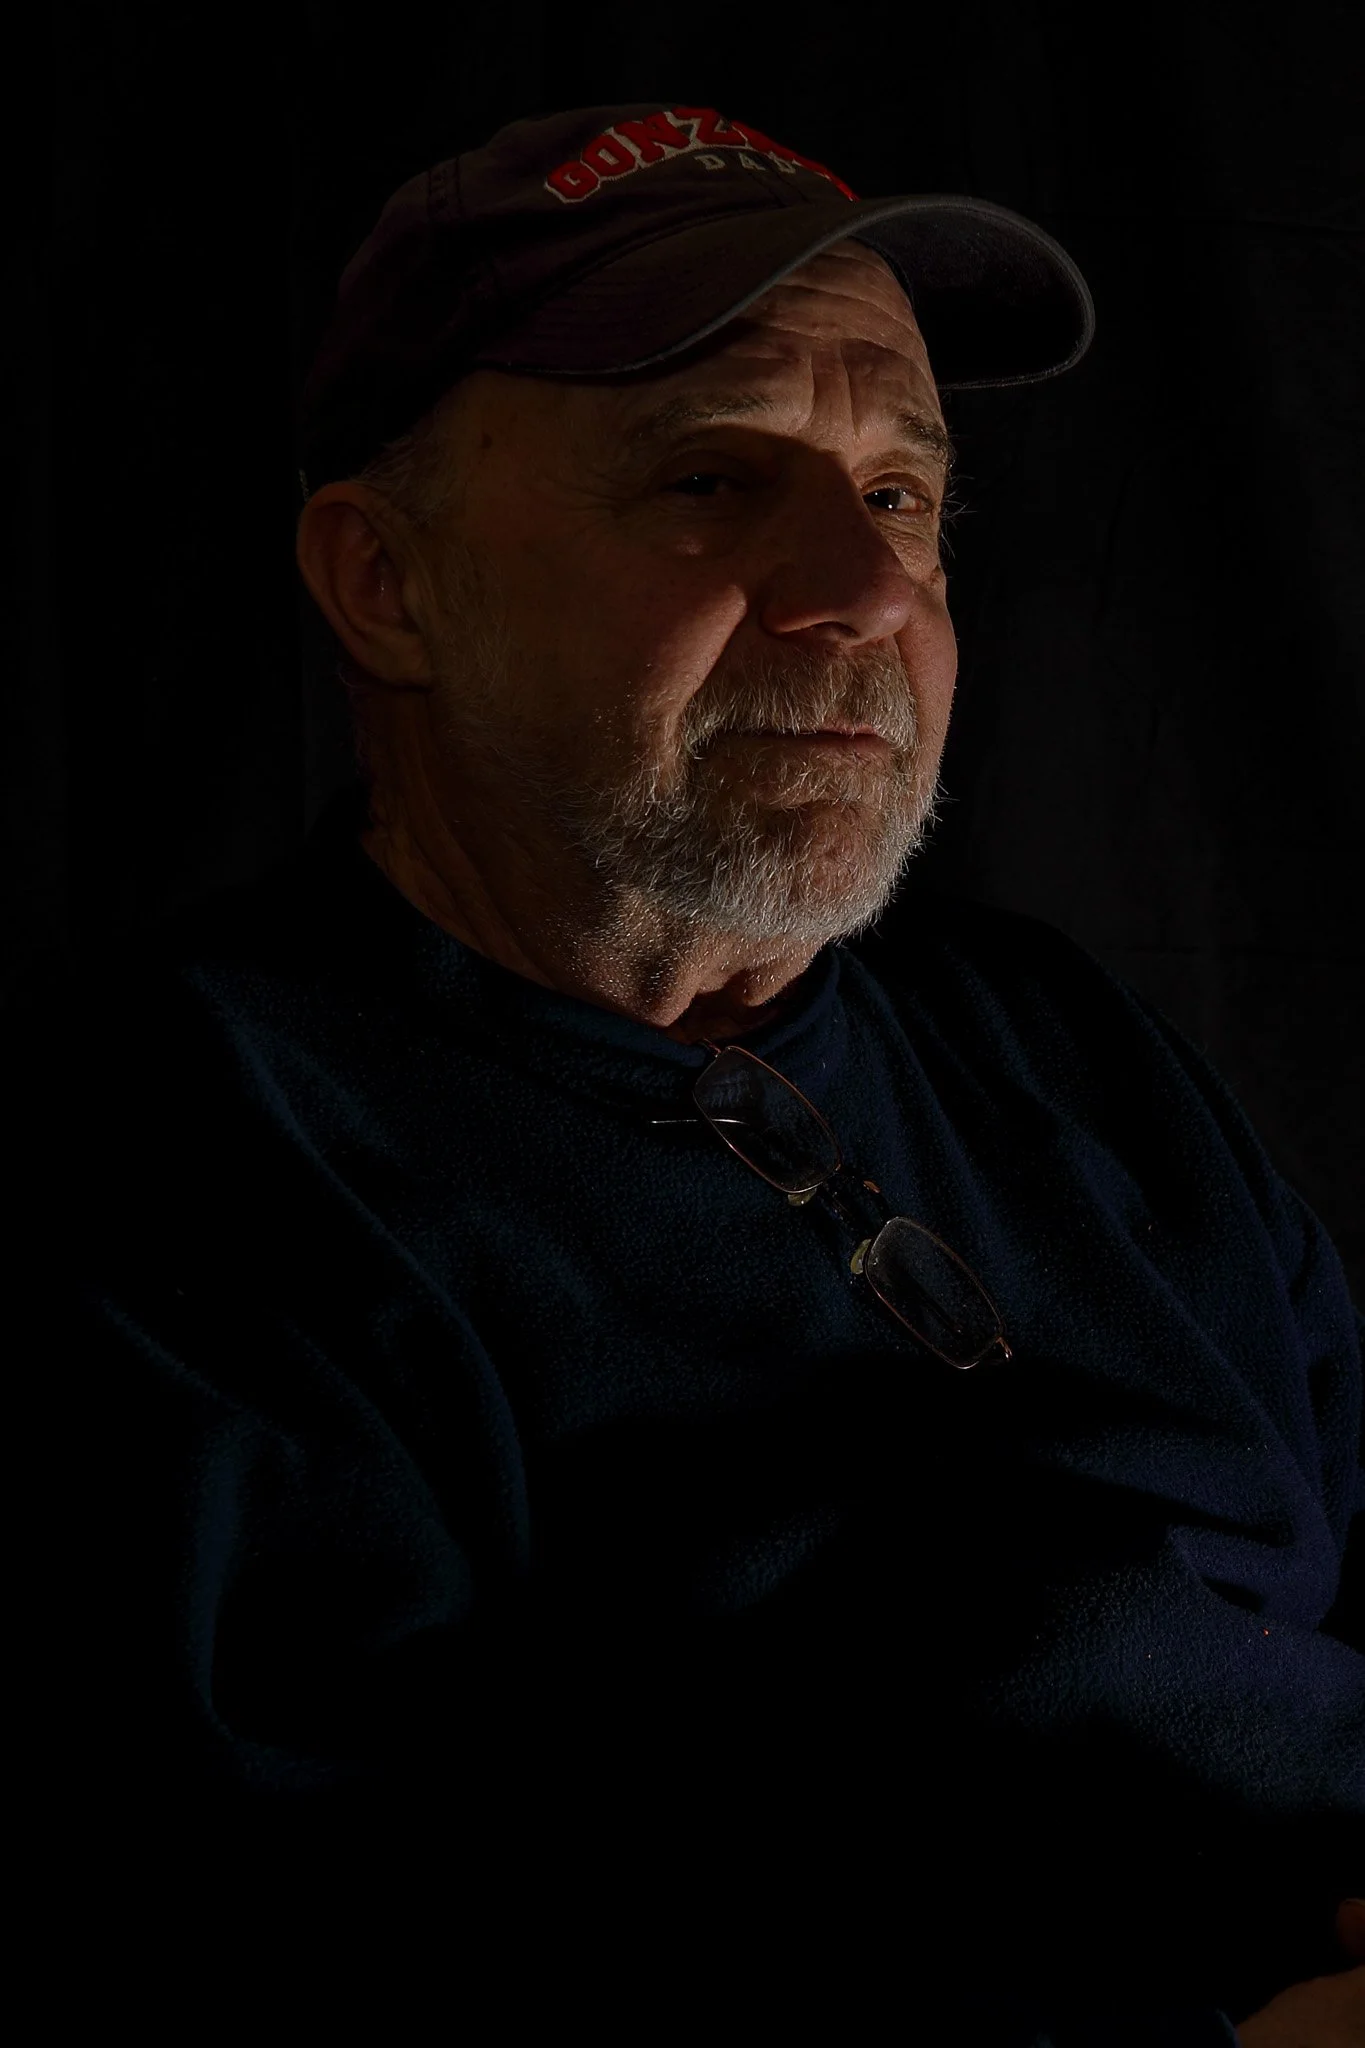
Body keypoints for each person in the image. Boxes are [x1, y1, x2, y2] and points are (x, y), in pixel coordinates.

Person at [15, 103, 1362, 2042]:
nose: (865, 592)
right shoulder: (172, 1178)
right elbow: (313, 1954)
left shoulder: (1051, 1039)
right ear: (387, 583)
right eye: (709, 484)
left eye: (901, 493)